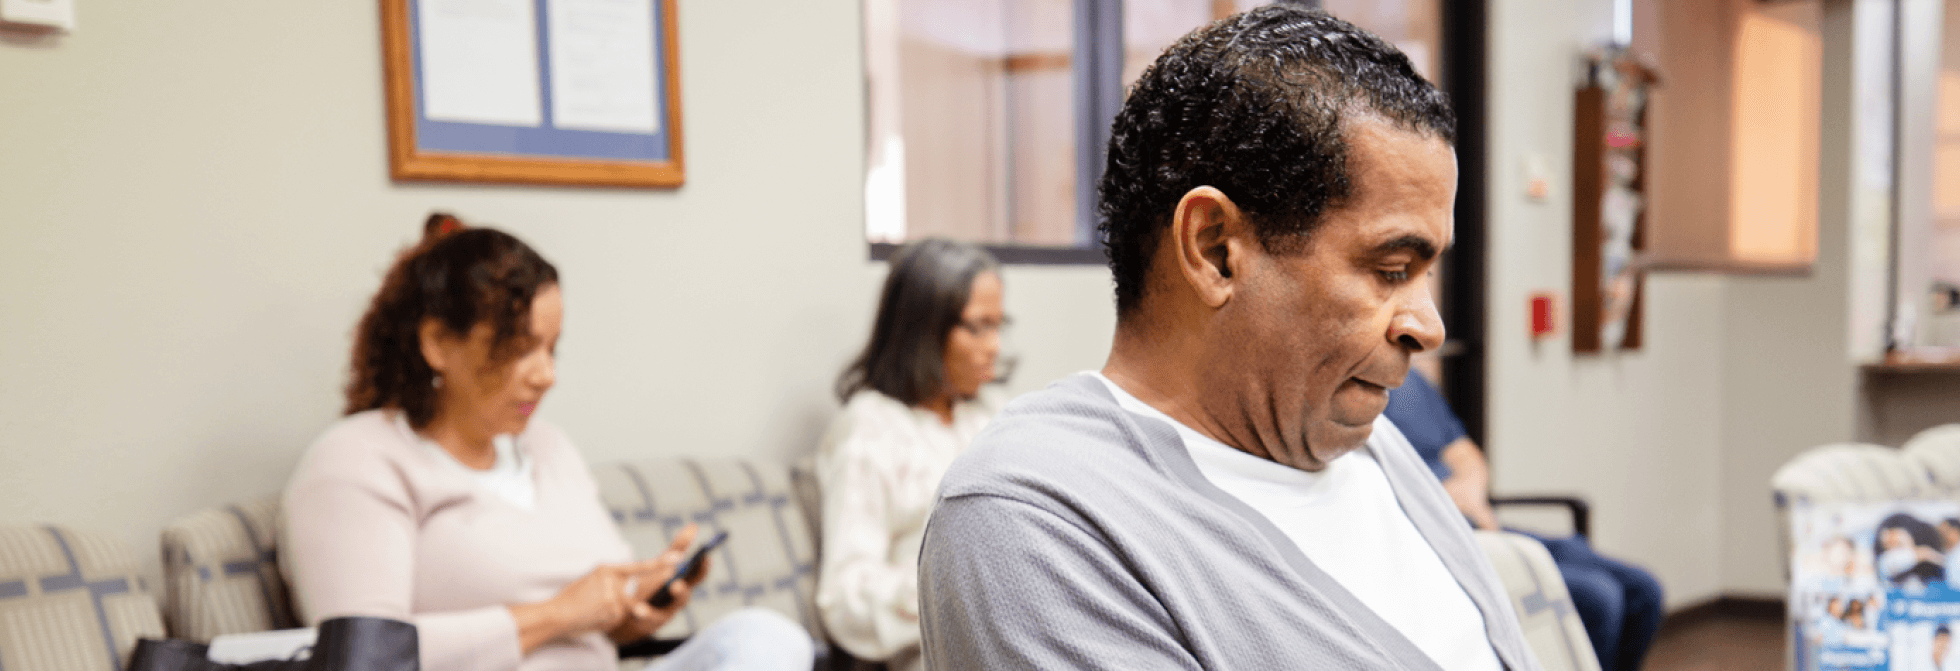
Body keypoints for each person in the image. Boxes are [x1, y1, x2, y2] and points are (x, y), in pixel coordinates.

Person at [917, 7, 1542, 669]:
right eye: (1391, 269)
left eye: (1427, 272)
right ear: (1215, 250)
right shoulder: (1035, 522)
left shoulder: (1370, 446)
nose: (1429, 325)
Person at [282, 214, 815, 671]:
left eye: (553, 348)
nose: (546, 375)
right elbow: (362, 658)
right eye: (520, 349)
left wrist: (634, 610)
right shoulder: (358, 461)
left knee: (766, 636)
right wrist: (559, 614)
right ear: (438, 343)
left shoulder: (549, 447)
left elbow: (599, 627)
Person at [1383, 372, 1664, 671]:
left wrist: (1469, 493)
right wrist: (1441, 503)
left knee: (1642, 589)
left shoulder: (1411, 381)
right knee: (1598, 597)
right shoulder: (1356, 396)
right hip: (1441, 543)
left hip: (1487, 526)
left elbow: (1464, 452)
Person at [815, 238, 1006, 670]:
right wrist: (957, 591)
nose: (994, 346)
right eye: (978, 327)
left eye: (998, 326)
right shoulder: (869, 430)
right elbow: (844, 599)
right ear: (924, 329)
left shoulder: (993, 415)